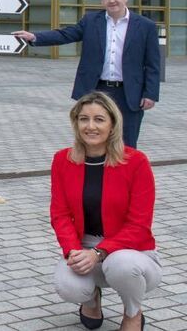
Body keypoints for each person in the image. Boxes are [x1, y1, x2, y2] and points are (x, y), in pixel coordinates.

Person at [51, 92, 159, 331]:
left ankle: (132, 312)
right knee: (67, 285)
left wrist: (99, 252)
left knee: (121, 264)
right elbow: (59, 214)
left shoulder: (136, 162)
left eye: (99, 119)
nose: (90, 126)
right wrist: (73, 250)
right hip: (84, 247)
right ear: (76, 123)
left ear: (112, 125)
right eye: (83, 119)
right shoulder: (62, 160)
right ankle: (91, 298)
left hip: (132, 253)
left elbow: (139, 225)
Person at [15, 0, 160, 148]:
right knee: (93, 140)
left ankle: (123, 174)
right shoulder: (91, 21)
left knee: (126, 143)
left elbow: (152, 64)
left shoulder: (145, 26)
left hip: (129, 93)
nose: (112, 0)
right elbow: (65, 35)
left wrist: (150, 93)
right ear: (101, 0)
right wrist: (35, 37)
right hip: (96, 90)